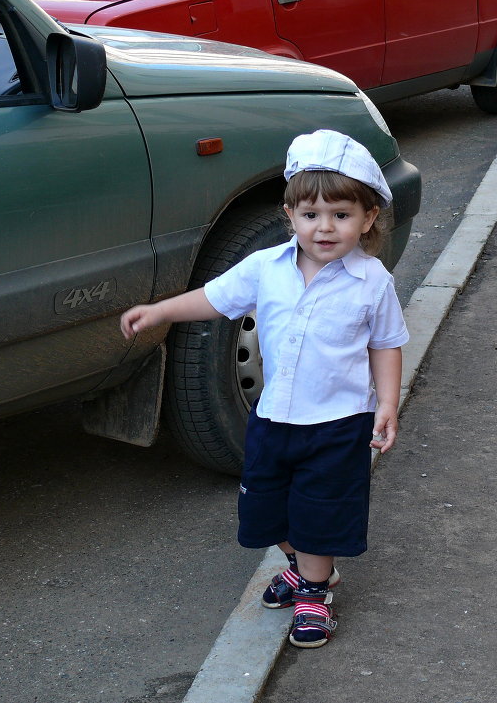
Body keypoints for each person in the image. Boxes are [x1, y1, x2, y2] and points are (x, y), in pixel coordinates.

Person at [119, 129, 409, 649]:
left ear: (368, 219)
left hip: (338, 424)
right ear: (289, 214)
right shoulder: (265, 268)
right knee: (268, 508)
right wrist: (160, 310)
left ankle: (315, 593)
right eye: (311, 215)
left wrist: (387, 402)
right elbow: (212, 299)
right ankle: (302, 568)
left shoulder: (372, 281)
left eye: (341, 215)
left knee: (320, 514)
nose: (324, 228)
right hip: (274, 418)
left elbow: (385, 345)